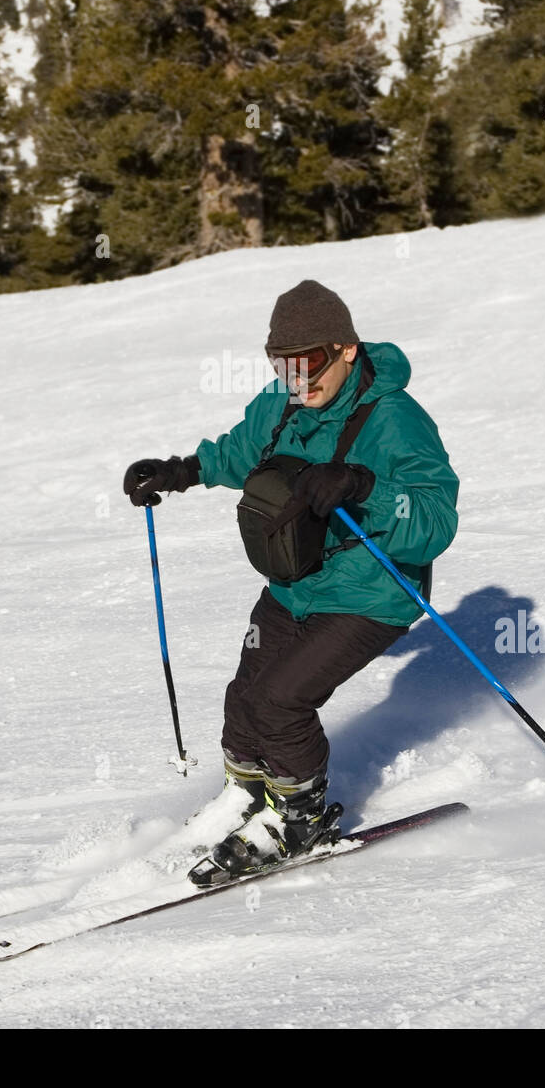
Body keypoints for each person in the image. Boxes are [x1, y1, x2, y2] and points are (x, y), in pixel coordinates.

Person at [123, 279, 458, 883]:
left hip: (369, 595)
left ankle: (300, 818)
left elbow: (435, 522)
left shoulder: (395, 420)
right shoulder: (282, 405)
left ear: (346, 349)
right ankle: (247, 797)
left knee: (281, 702)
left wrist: (364, 487)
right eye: (282, 365)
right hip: (292, 584)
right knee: (245, 698)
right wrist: (180, 472)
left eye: (308, 363)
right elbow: (240, 451)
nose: (297, 380)